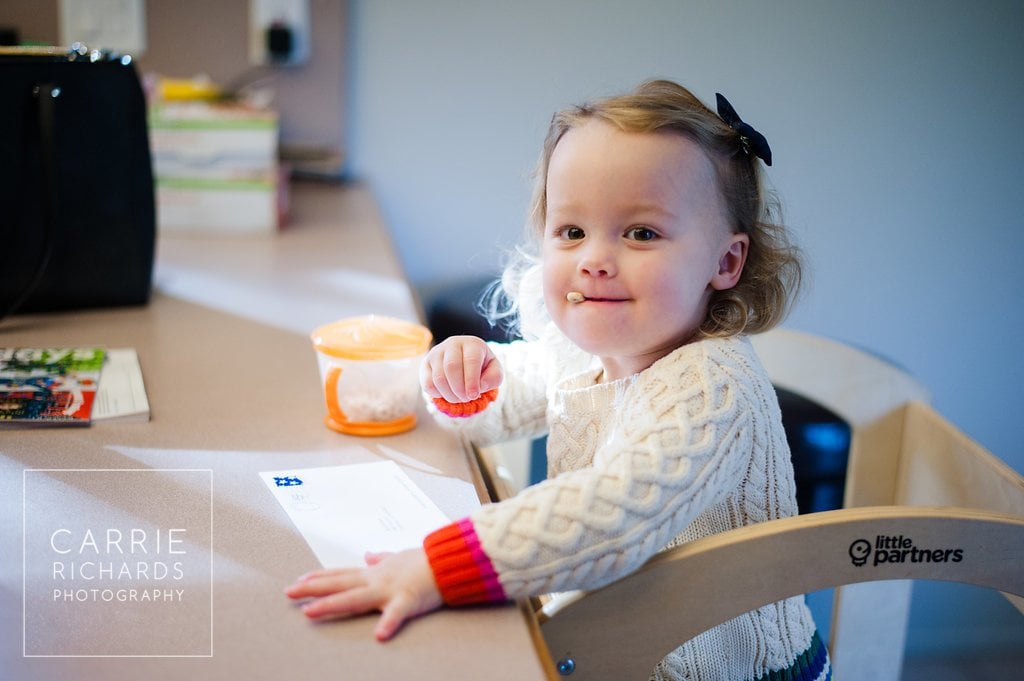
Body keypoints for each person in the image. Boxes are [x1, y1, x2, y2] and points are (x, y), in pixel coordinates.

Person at [286, 79, 832, 681]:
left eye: (641, 233)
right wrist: (464, 380)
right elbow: (504, 394)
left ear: (725, 263)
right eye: (571, 231)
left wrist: (439, 568)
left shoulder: (712, 387)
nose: (594, 258)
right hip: (624, 646)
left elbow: (618, 508)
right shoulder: (586, 350)